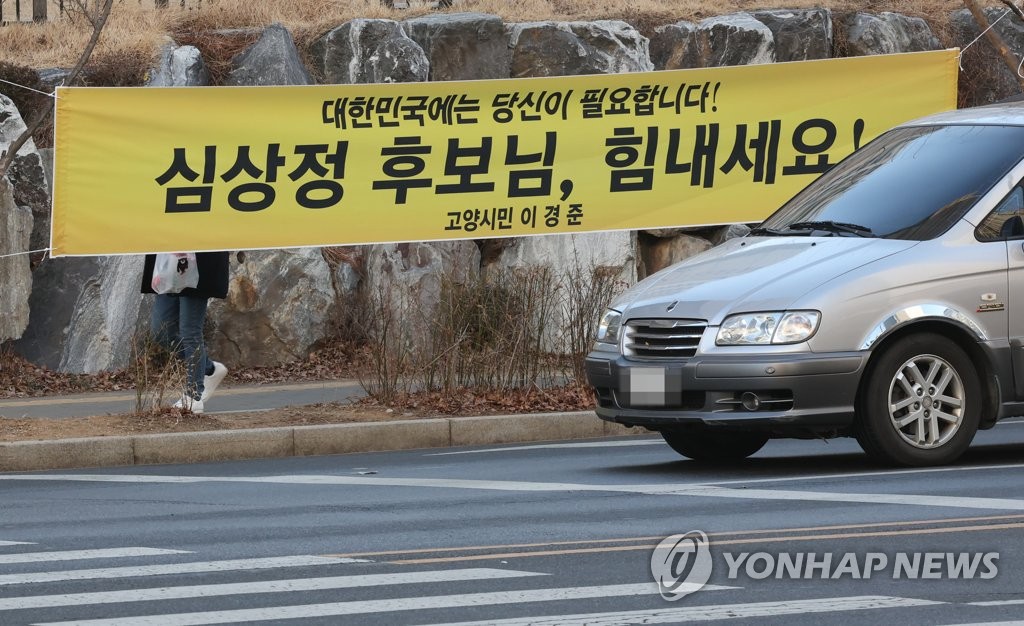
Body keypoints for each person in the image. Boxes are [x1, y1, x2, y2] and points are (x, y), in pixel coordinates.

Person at [140, 251, 230, 414]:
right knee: (161, 332)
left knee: (190, 331)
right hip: (168, 262)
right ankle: (209, 368)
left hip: (199, 262)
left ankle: (193, 396)